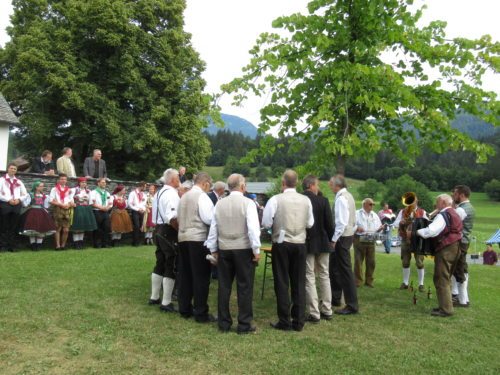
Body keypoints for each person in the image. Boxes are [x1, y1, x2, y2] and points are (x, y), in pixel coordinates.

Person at [206, 174, 261, 334]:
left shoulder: (219, 204)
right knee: (244, 286)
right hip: (243, 248)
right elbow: (252, 228)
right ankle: (244, 323)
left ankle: (224, 323)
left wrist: (213, 249)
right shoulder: (248, 203)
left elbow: (213, 228)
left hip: (224, 248)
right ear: (242, 186)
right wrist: (256, 250)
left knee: (224, 286)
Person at [262, 169, 314, 331]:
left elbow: (266, 223)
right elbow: (310, 223)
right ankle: (298, 321)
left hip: (281, 243)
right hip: (300, 243)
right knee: (299, 281)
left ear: (283, 183)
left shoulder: (275, 199)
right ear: (297, 183)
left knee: (282, 281)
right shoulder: (306, 200)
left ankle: (284, 320)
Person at [177, 172, 216, 322]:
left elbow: (179, 218)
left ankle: (184, 308)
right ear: (205, 183)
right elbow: (208, 218)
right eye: (209, 185)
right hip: (198, 239)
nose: (209, 188)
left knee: (185, 274)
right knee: (201, 276)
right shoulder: (202, 197)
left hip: (183, 238)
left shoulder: (184, 196)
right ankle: (200, 312)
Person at [416, 194, 462, 317]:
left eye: (437, 202)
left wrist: (416, 232)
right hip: (456, 247)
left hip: (446, 248)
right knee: (446, 278)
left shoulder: (443, 215)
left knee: (441, 278)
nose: (436, 205)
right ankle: (446, 306)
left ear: (442, 202)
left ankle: (446, 310)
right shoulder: (454, 213)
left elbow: (431, 231)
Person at [302, 175, 334, 324]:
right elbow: (330, 225)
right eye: (317, 185)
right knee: (324, 275)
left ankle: (314, 312)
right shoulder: (323, 201)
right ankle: (327, 309)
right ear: (311, 185)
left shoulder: (301, 200)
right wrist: (331, 240)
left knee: (309, 276)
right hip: (322, 242)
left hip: (307, 242)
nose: (318, 188)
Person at [149, 168, 181, 313]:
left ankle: (154, 297)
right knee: (171, 263)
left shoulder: (159, 192)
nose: (179, 180)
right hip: (168, 231)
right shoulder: (171, 194)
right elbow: (172, 217)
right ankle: (166, 302)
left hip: (158, 230)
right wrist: (180, 231)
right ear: (173, 180)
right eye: (178, 178)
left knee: (160, 262)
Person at [328, 174, 359, 315]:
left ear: (337, 185)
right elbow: (353, 220)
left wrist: (334, 240)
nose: (330, 186)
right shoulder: (349, 196)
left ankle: (351, 304)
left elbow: (341, 222)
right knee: (337, 268)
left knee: (345, 271)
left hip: (341, 237)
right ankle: (336, 298)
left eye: (331, 184)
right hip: (347, 235)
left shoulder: (341, 199)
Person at [393, 194, 428, 292]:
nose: (411, 203)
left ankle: (421, 284)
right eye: (409, 202)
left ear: (417, 201)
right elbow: (395, 223)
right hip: (405, 239)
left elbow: (427, 224)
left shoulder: (422, 212)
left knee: (419, 262)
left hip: (417, 239)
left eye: (413, 201)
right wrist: (401, 222)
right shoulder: (402, 211)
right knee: (405, 261)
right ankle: (405, 283)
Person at [451, 185, 475, 307]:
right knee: (460, 268)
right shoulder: (468, 207)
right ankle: (458, 296)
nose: (453, 196)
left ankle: (463, 300)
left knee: (460, 269)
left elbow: (450, 223)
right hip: (465, 241)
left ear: (461, 195)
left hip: (460, 241)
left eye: (455, 194)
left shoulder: (461, 210)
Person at [354, 198, 383, 288]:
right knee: (358, 261)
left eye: (373, 204)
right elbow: (351, 223)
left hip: (371, 238)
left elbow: (378, 226)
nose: (372, 206)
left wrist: (380, 229)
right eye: (370, 204)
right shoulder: (357, 213)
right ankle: (357, 281)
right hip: (359, 238)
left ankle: (369, 281)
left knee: (371, 261)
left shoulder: (374, 215)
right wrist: (357, 228)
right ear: (364, 204)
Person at [20, 181, 56, 251]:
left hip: (41, 212)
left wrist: (49, 201)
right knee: (32, 229)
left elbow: (46, 206)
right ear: (36, 187)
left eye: (42, 186)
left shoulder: (44, 196)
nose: (42, 187)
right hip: (32, 212)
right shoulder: (30, 195)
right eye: (41, 186)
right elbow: (25, 204)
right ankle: (33, 245)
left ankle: (39, 245)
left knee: (42, 228)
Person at [0, 163, 28, 252]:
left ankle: (11, 245)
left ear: (16, 171)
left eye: (15, 169)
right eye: (11, 168)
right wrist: (8, 199)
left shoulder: (19, 182)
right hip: (5, 204)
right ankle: (3, 246)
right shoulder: (2, 180)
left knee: (14, 226)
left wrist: (19, 199)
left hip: (16, 204)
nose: (13, 170)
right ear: (8, 169)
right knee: (4, 225)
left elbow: (25, 194)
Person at [49, 173, 75, 250]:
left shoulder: (69, 190)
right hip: (58, 209)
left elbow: (72, 201)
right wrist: (60, 204)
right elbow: (51, 200)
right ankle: (58, 246)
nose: (63, 180)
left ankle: (63, 245)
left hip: (67, 210)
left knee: (66, 229)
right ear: (58, 180)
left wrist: (69, 205)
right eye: (61, 179)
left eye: (65, 179)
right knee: (58, 228)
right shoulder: (54, 189)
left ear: (66, 180)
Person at [71, 177, 97, 249]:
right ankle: (76, 243)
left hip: (86, 208)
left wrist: (89, 201)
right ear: (79, 183)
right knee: (77, 226)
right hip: (78, 208)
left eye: (85, 182)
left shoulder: (88, 191)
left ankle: (81, 242)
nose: (84, 184)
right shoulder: (74, 190)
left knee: (83, 226)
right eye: (82, 182)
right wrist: (74, 203)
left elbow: (91, 201)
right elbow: (70, 198)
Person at [89, 177, 113, 248]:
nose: (104, 184)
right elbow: (92, 203)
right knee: (97, 228)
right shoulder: (93, 192)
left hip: (105, 212)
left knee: (106, 227)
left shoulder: (107, 193)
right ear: (98, 183)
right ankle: (96, 244)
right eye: (102, 182)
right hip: (97, 212)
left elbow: (110, 203)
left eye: (105, 182)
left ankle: (104, 244)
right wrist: (102, 208)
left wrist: (107, 208)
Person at [128, 181, 147, 246]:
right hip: (135, 211)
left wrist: (143, 209)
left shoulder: (144, 194)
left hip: (142, 212)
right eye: (144, 186)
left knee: (141, 226)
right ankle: (135, 242)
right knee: (136, 226)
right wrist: (137, 209)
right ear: (141, 186)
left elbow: (145, 204)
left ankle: (139, 241)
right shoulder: (132, 193)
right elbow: (130, 204)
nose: (145, 188)